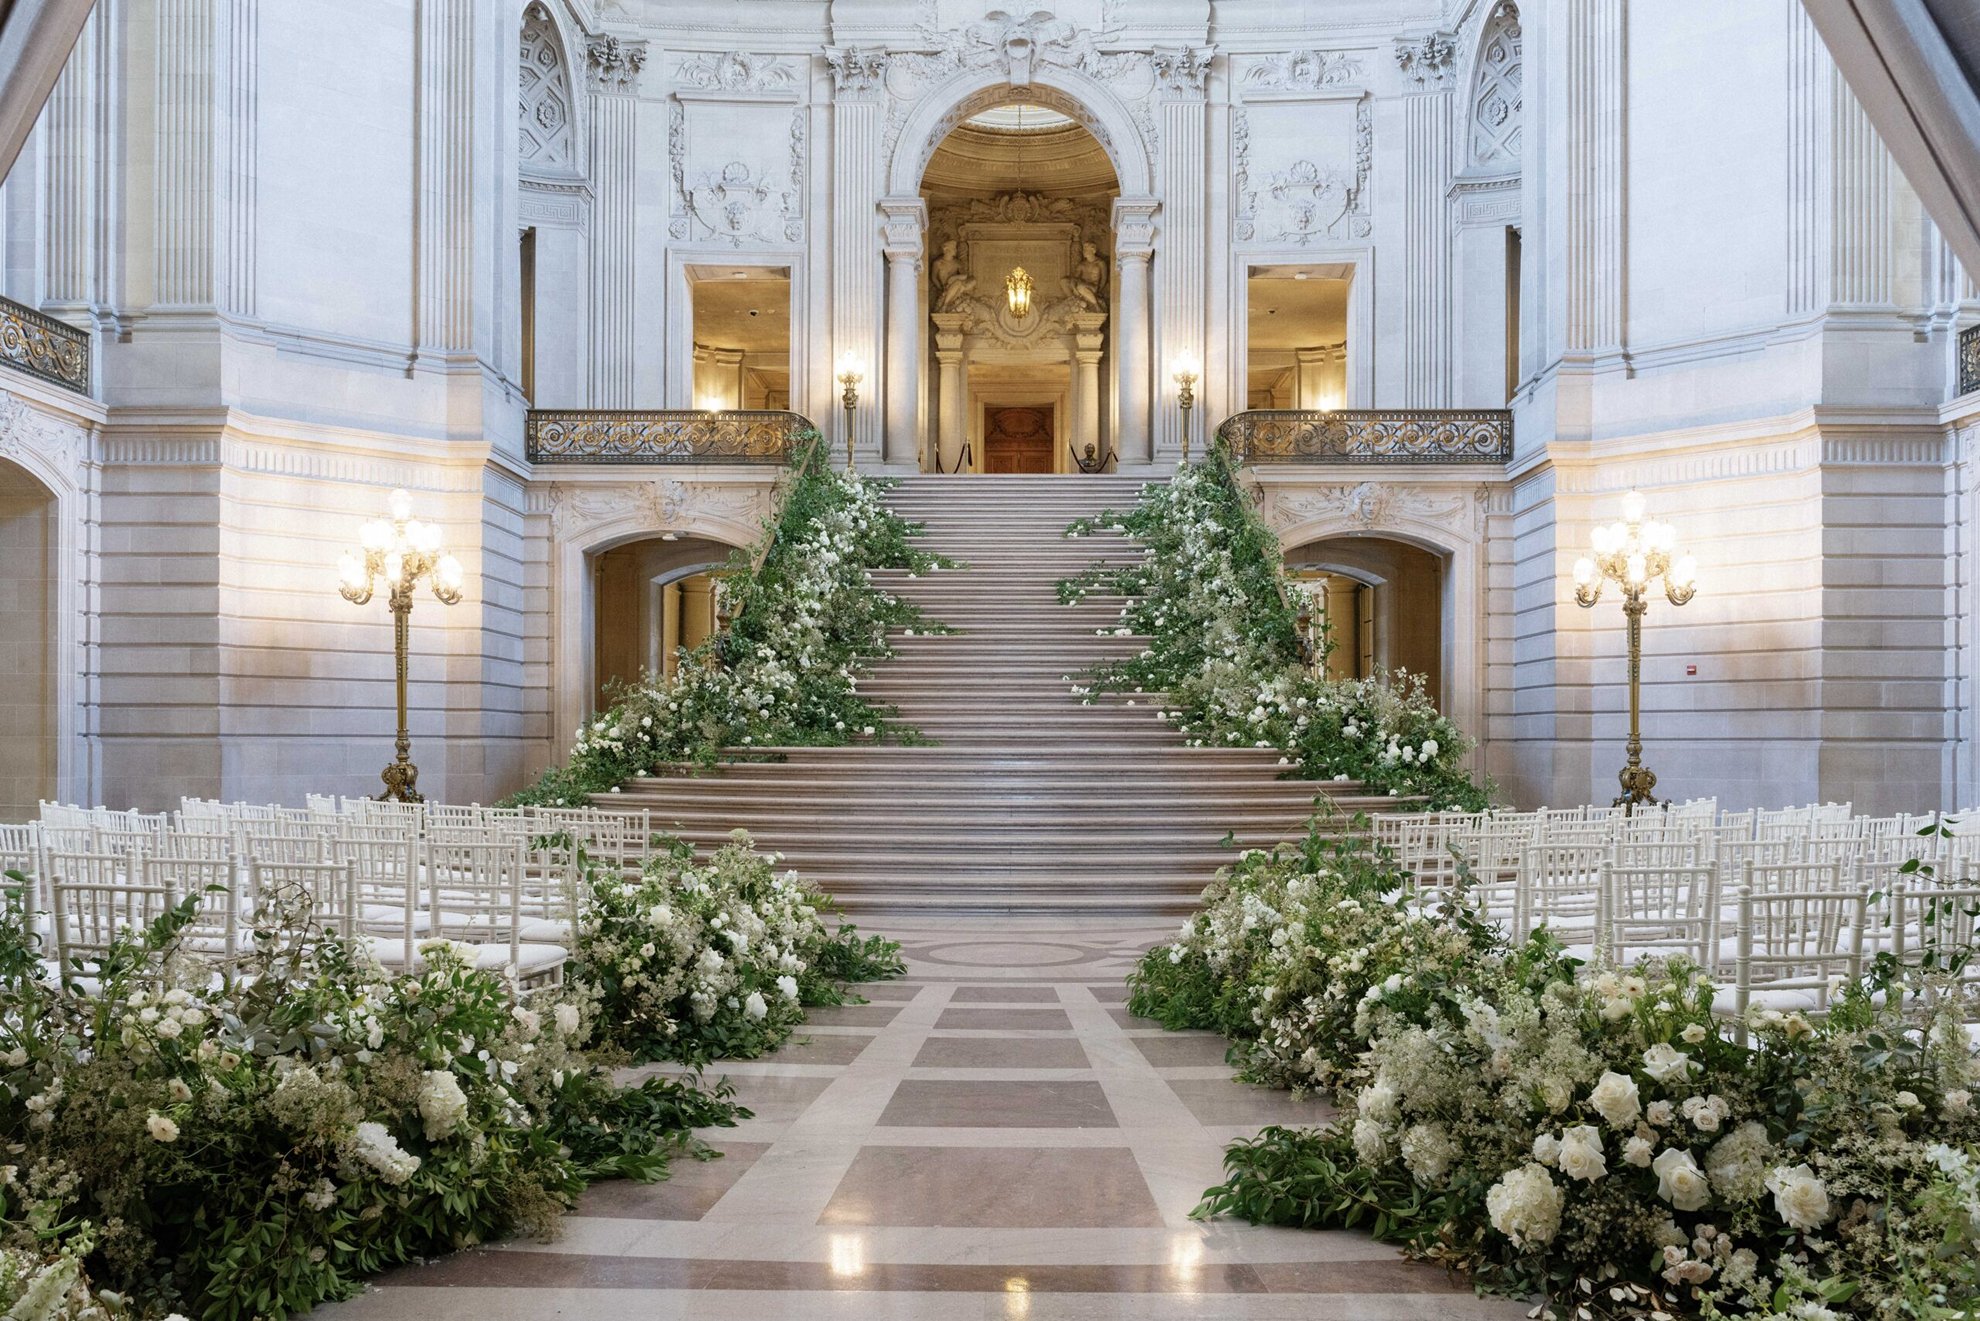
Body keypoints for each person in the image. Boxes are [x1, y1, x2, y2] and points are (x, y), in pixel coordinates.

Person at [931, 240, 976, 311]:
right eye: (954, 248)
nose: (955, 250)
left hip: (955, 283)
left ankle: (953, 300)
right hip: (945, 286)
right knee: (958, 283)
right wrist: (940, 288)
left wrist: (954, 277)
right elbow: (934, 278)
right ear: (948, 250)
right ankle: (945, 305)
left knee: (972, 281)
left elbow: (965, 276)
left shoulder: (957, 263)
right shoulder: (938, 263)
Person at [1062, 241, 1107, 310]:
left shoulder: (1100, 263)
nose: (1084, 251)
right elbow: (1075, 278)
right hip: (1082, 284)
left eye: (1086, 249)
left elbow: (1104, 278)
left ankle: (1096, 305)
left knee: (1080, 287)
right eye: (1084, 249)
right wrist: (1073, 287)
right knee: (1064, 281)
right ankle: (1073, 300)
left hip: (1093, 286)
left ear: (1093, 250)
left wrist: (1099, 291)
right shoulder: (1082, 264)